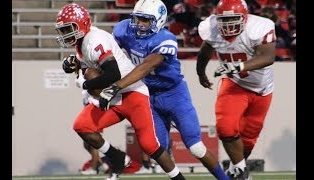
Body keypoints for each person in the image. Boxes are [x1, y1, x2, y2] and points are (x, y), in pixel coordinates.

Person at [98, 0, 229, 179]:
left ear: (159, 20)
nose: (140, 25)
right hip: (147, 96)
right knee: (157, 149)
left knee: (195, 147)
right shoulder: (123, 29)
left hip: (173, 93)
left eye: (146, 20)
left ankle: (224, 178)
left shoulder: (166, 39)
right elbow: (109, 54)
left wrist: (116, 86)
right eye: (138, 19)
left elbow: (146, 66)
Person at [55, 3, 186, 180]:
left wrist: (86, 84)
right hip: (113, 96)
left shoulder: (94, 40)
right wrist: (77, 66)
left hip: (132, 93)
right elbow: (90, 68)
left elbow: (113, 73)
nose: (66, 34)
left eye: (69, 29)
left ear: (82, 23)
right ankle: (117, 157)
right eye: (63, 30)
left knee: (150, 145)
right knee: (82, 126)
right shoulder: (82, 42)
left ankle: (178, 178)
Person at [195, 0, 275, 179]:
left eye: (233, 19)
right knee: (225, 127)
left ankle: (235, 169)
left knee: (249, 137)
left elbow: (268, 56)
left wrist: (239, 66)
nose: (228, 24)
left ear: (244, 17)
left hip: (262, 88)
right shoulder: (212, 27)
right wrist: (201, 73)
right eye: (224, 20)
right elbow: (204, 53)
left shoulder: (259, 27)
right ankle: (242, 172)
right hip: (234, 84)